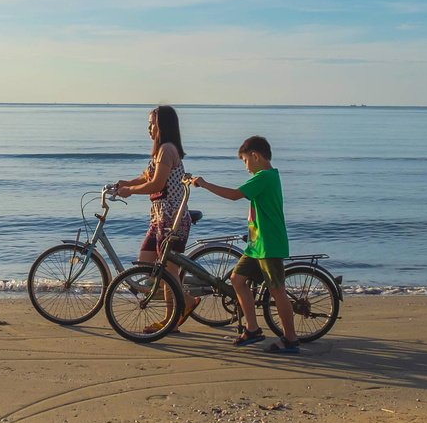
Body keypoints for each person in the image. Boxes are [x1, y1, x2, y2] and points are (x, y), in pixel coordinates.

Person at [191, 135, 299, 353]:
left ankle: (290, 338)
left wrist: (204, 184)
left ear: (255, 156)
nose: (246, 166)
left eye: (245, 161)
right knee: (237, 279)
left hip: (269, 244)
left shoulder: (264, 177)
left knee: (277, 291)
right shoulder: (266, 176)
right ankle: (252, 328)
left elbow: (234, 195)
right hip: (256, 244)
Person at [114, 105, 199, 324]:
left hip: (172, 220)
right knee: (146, 263)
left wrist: (130, 192)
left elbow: (157, 184)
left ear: (161, 125)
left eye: (151, 124)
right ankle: (183, 302)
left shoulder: (167, 150)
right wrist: (126, 183)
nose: (148, 128)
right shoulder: (161, 151)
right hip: (159, 219)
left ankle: (173, 318)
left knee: (167, 273)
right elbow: (147, 176)